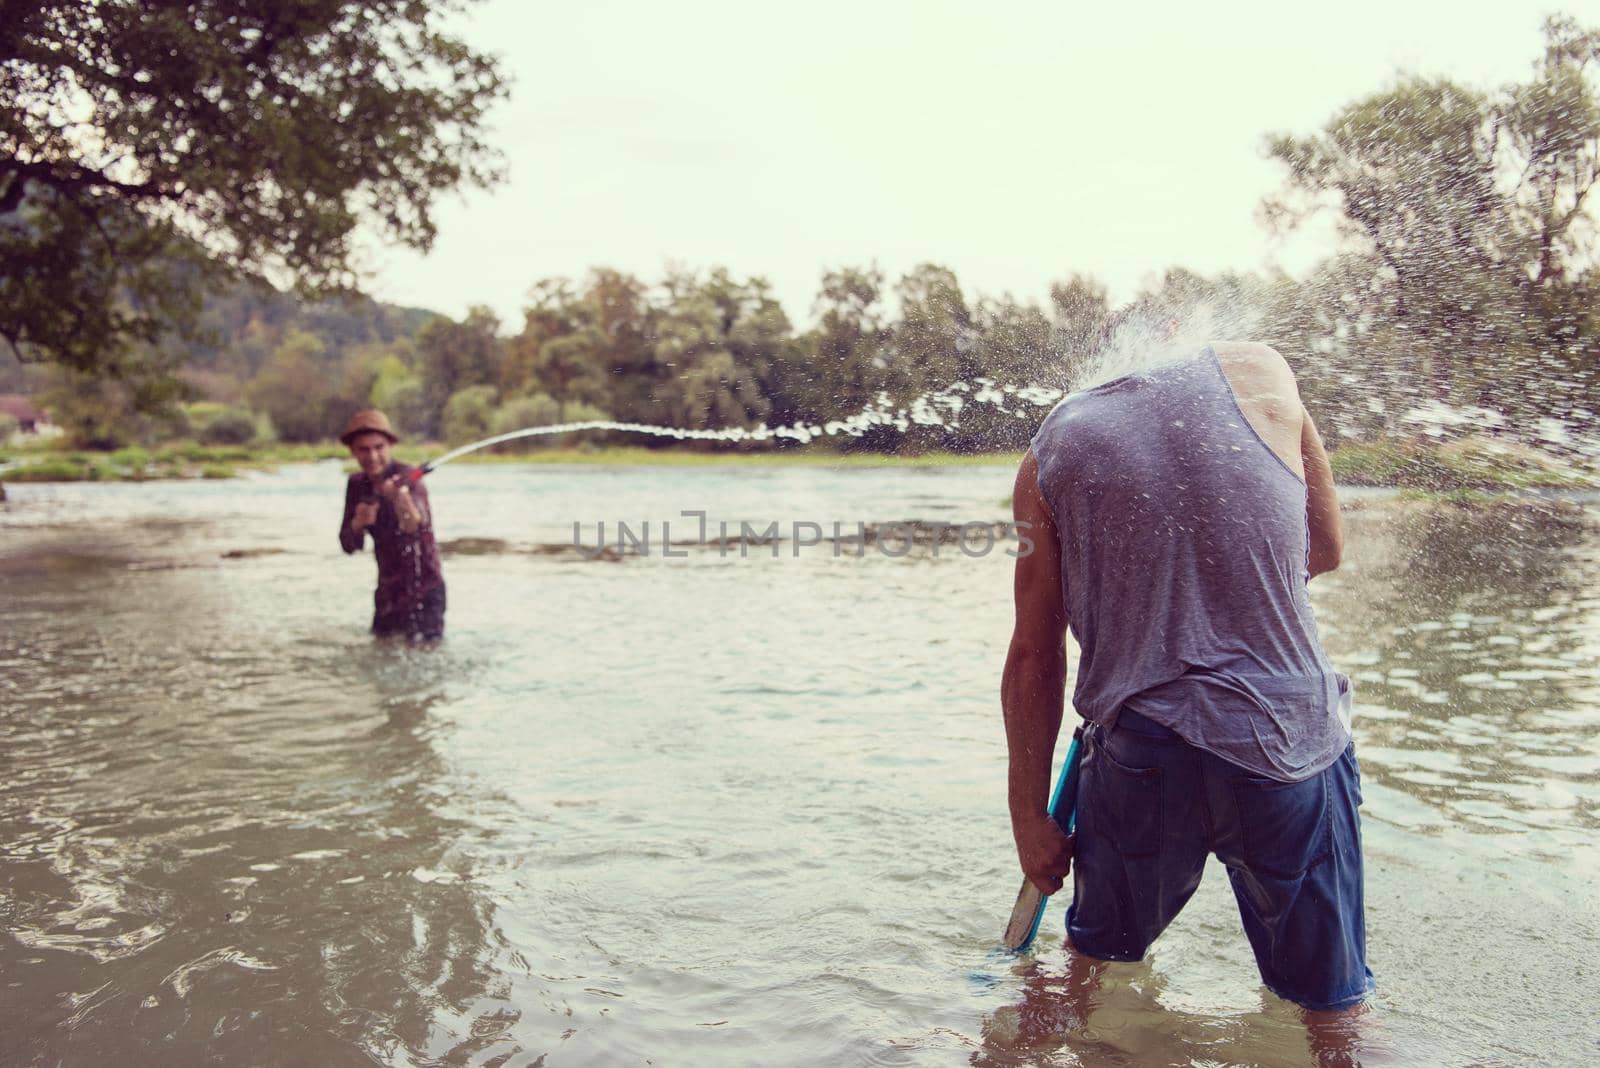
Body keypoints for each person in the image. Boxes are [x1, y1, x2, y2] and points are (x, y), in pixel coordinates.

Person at [1001, 339, 1372, 1022]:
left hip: (1140, 752)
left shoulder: (1047, 454)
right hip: (1288, 743)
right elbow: (1323, 548)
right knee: (1331, 1014)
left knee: (1095, 982)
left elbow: (1034, 651)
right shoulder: (1265, 369)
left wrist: (1030, 816)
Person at [338, 409, 446, 641]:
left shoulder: (409, 478)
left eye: (379, 447)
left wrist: (401, 499)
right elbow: (349, 545)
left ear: (390, 446)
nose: (373, 456)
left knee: (425, 659)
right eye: (364, 449)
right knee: (381, 658)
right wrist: (358, 524)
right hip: (387, 592)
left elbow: (415, 529)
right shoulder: (357, 484)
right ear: (353, 451)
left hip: (425, 589)